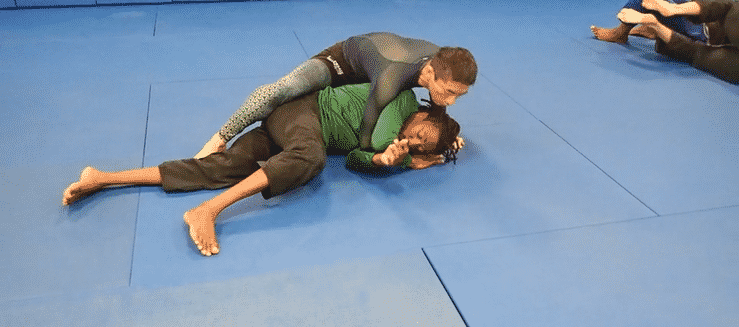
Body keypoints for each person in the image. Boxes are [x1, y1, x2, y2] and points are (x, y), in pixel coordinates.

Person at [62, 83, 462, 256]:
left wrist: (387, 161)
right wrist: (403, 158)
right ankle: (209, 210)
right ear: (425, 112)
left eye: (419, 146)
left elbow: (359, 157)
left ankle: (103, 178)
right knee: (310, 159)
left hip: (289, 130)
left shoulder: (399, 144)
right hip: (303, 112)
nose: (410, 141)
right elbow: (382, 140)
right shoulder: (402, 99)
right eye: (418, 134)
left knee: (221, 167)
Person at [194, 32, 477, 159]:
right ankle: (219, 138)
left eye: (459, 96)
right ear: (431, 73)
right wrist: (397, 157)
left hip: (375, 71)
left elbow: (437, 101)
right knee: (285, 89)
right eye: (450, 92)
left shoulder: (444, 61)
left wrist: (444, 133)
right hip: (340, 64)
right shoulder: (391, 79)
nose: (451, 101)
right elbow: (366, 141)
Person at [591, 0, 739, 84]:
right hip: (704, 21)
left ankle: (621, 33)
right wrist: (672, 9)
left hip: (701, 36)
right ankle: (650, 24)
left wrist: (655, 23)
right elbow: (724, 6)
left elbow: (695, 52)